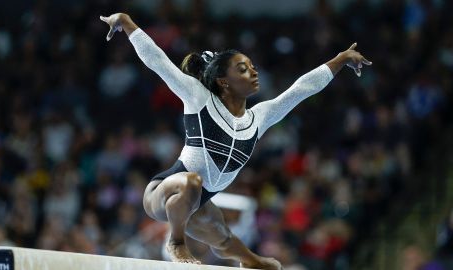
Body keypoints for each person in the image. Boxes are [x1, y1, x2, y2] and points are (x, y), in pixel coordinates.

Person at [100, 12, 371, 270]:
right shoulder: (198, 98)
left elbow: (300, 89)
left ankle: (251, 260)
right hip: (163, 192)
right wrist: (127, 23)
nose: (253, 73)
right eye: (242, 69)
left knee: (224, 239)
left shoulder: (258, 118)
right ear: (224, 82)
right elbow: (158, 62)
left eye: (252, 67)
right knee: (192, 182)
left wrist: (341, 59)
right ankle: (176, 242)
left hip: (197, 203)